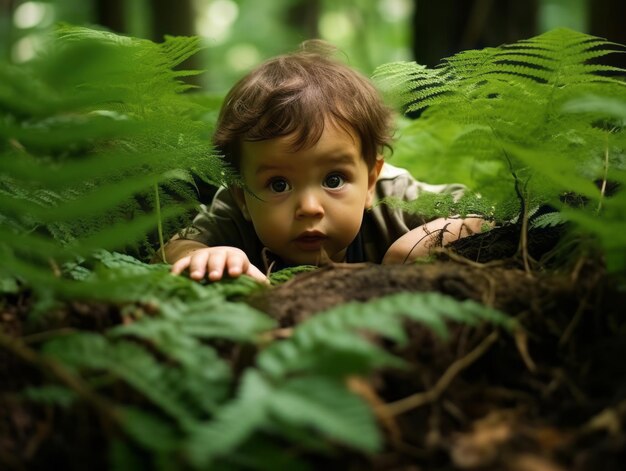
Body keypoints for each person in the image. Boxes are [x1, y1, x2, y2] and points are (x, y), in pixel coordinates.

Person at [163, 41, 484, 283]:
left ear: (371, 180)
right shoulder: (235, 216)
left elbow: (491, 212)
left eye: (333, 180)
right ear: (242, 195)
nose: (310, 207)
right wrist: (205, 256)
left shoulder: (394, 198)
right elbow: (170, 250)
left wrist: (416, 246)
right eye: (279, 184)